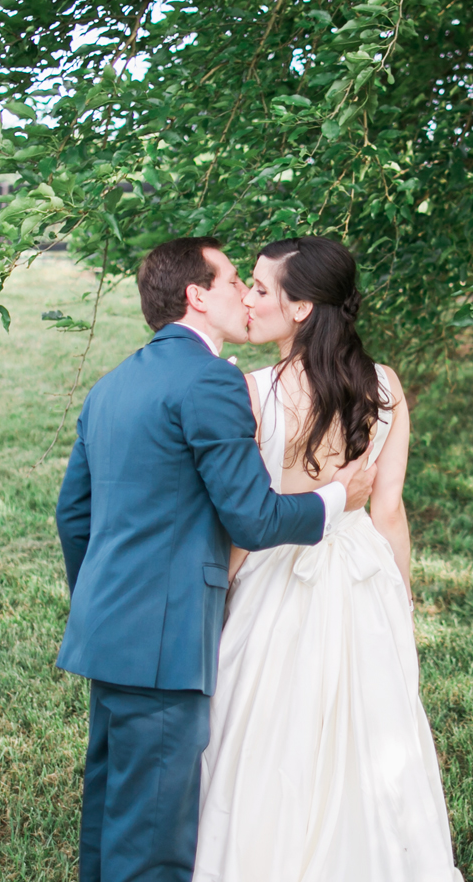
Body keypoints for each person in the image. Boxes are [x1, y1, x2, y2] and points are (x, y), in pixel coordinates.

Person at [55, 236, 377, 882]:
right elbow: (253, 518)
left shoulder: (112, 384)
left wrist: (104, 599)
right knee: (155, 835)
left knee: (108, 814)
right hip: (165, 640)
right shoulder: (210, 381)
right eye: (233, 281)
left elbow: (73, 516)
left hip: (107, 633)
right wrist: (338, 498)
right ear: (197, 295)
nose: (244, 295)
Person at [194, 235, 463, 882]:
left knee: (263, 735)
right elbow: (388, 510)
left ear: (303, 308)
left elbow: (244, 522)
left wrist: (218, 602)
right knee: (368, 728)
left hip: (277, 570)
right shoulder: (385, 385)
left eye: (260, 288)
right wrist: (399, 599)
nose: (248, 300)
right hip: (362, 568)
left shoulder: (253, 392)